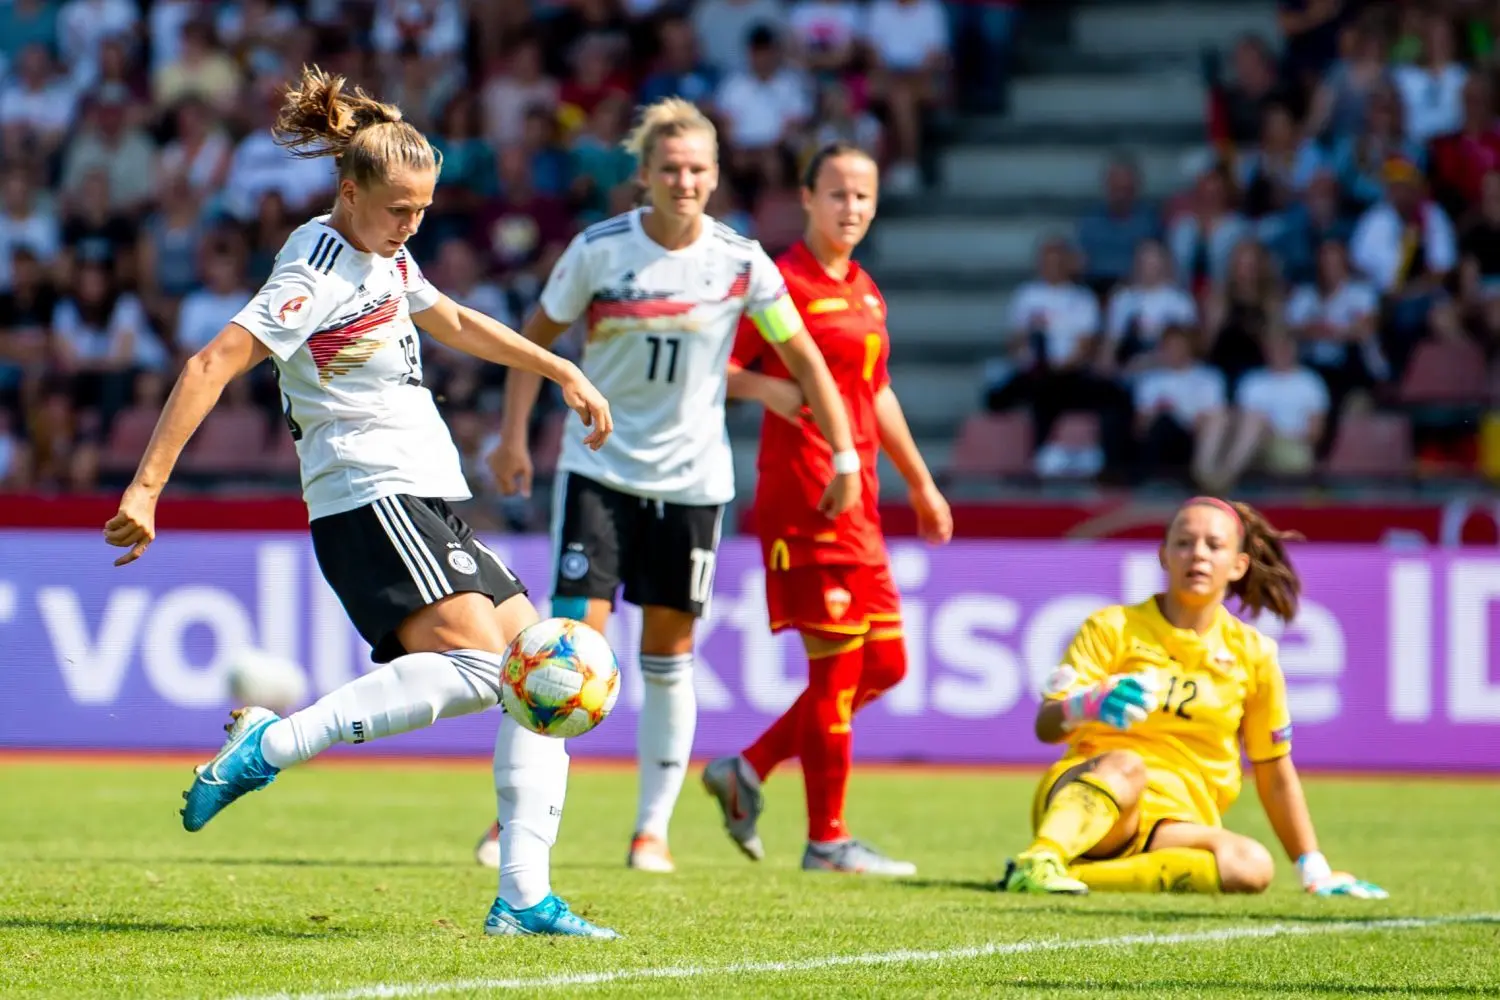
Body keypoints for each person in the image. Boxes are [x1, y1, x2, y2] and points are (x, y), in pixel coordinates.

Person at [102, 66, 620, 939]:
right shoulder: (318, 269)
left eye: (423, 212)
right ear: (350, 192)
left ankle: (524, 897)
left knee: (541, 675)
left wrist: (558, 365)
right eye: (399, 211)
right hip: (369, 494)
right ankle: (272, 745)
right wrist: (146, 490)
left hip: (419, 492)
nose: (412, 226)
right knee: (500, 673)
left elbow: (449, 317)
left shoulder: (384, 252)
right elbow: (211, 364)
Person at [477, 97, 861, 874]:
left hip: (691, 485)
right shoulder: (598, 250)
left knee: (668, 654)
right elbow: (533, 344)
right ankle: (510, 821)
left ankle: (651, 832)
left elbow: (807, 361)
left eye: (698, 170)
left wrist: (847, 456)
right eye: (671, 169)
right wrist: (516, 435)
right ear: (644, 175)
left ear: (715, 177)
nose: (685, 182)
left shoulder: (741, 262)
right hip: (600, 471)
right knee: (567, 650)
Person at [700, 142, 954, 875]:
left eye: (864, 197)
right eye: (838, 194)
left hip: (863, 502)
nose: (852, 208)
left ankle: (748, 768)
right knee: (841, 672)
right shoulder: (781, 283)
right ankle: (827, 840)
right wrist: (771, 391)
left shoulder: (867, 291)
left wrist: (922, 482)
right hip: (805, 499)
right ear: (807, 198)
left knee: (888, 664)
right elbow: (718, 363)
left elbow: (876, 392)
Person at [999, 497, 1387, 899]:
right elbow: (1046, 725)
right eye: (1184, 543)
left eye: (1214, 546)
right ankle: (1043, 854)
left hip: (1173, 825)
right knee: (1127, 764)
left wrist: (1314, 868)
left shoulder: (1253, 653)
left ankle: (1065, 876)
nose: (1197, 554)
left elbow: (1273, 771)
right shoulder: (1112, 627)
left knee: (1251, 865)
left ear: (1238, 565)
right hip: (1090, 799)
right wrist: (1086, 704)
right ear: (1164, 556)